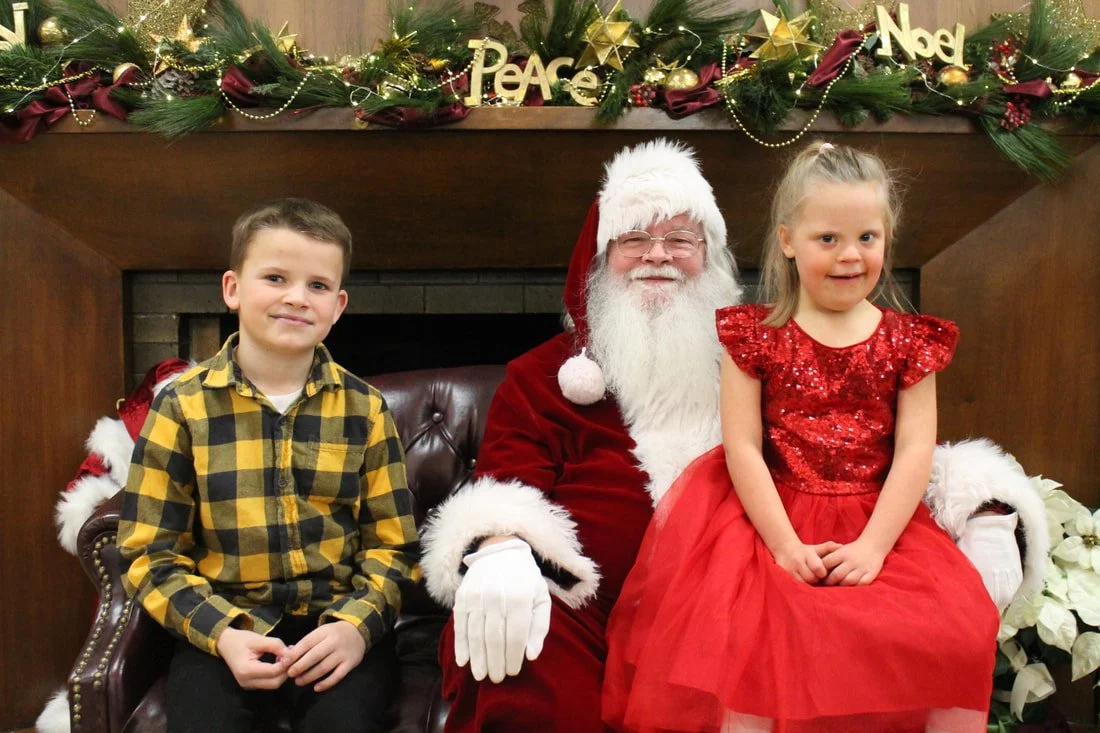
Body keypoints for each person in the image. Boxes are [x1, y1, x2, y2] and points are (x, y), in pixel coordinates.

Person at [420, 139, 1048, 733]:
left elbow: (870, 443)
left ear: (711, 254)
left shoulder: (753, 351)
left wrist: (986, 506)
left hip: (726, 596)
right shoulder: (542, 377)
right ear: (599, 258)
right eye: (634, 238)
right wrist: (499, 546)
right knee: (523, 655)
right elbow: (504, 481)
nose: (658, 255)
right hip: (584, 604)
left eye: (679, 239)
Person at [602, 141, 1001, 733]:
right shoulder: (756, 337)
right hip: (771, 518)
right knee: (751, 637)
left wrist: (872, 547)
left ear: (887, 239)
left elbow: (916, 449)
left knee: (955, 631)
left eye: (867, 237)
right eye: (828, 240)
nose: (850, 256)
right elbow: (742, 447)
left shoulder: (909, 341)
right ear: (788, 241)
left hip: (878, 520)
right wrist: (785, 546)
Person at [116, 198, 420, 733]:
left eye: (318, 286)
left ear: (339, 304)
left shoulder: (365, 408)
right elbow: (148, 552)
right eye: (276, 277)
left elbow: (392, 548)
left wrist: (356, 627)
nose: (297, 298)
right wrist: (222, 633)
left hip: (336, 627)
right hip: (223, 625)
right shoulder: (182, 406)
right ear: (232, 288)